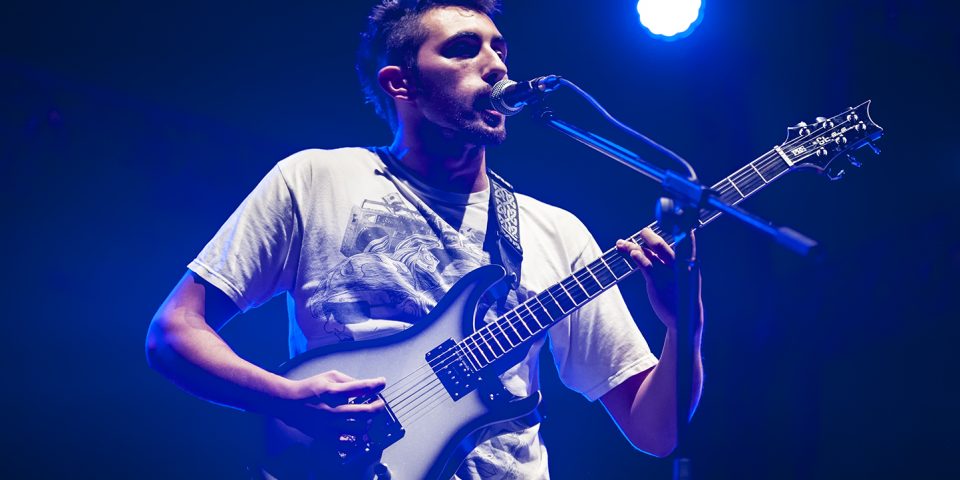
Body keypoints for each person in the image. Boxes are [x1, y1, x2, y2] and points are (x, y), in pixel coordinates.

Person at [145, 0, 704, 478]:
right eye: (463, 48)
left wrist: (685, 328)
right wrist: (288, 398)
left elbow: (654, 432)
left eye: (499, 48)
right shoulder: (316, 178)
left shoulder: (556, 231)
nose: (494, 65)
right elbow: (175, 332)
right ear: (401, 82)